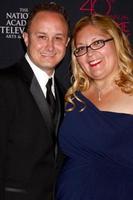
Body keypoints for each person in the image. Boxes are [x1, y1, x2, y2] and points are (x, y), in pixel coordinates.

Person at [55, 13, 133, 200]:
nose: (89, 53)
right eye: (81, 48)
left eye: (97, 43)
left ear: (116, 42)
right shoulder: (74, 99)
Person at [0, 2, 70, 200]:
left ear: (66, 43)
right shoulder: (4, 85)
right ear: (25, 38)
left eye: (58, 38)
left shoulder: (65, 94)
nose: (50, 46)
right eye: (41, 36)